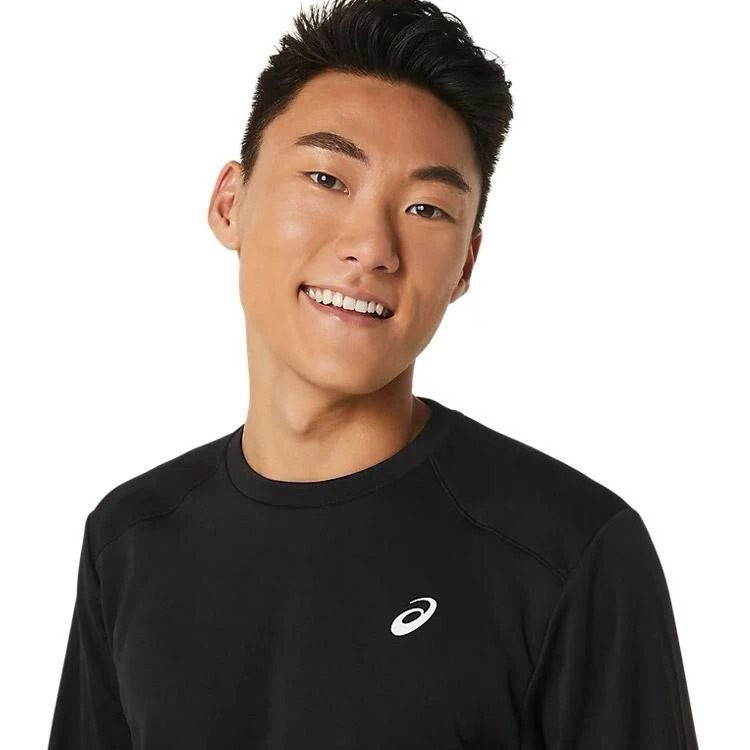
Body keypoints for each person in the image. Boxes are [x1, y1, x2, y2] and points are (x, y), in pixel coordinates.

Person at [47, 0, 700, 748]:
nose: (372, 245)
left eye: (426, 208)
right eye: (327, 178)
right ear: (231, 203)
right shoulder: (129, 540)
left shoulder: (569, 551)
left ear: (466, 265)